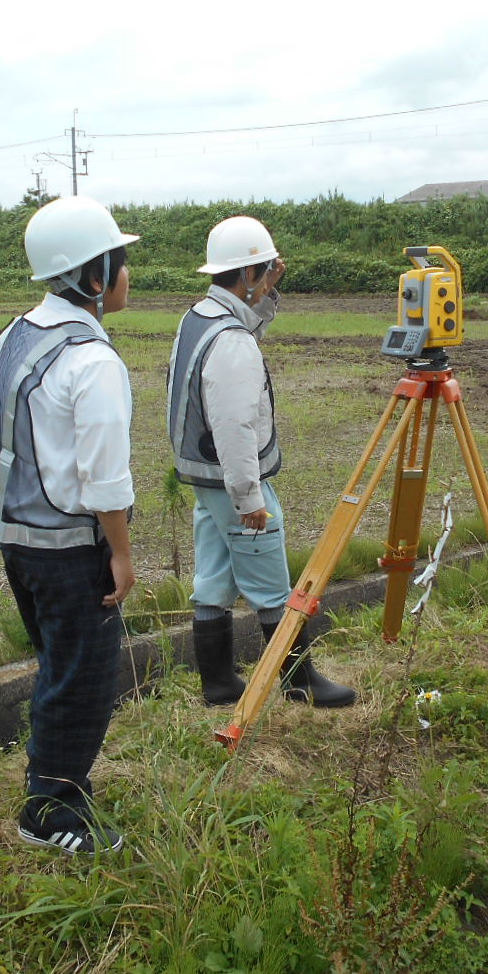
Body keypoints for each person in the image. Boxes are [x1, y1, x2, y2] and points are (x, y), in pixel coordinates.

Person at [0, 195, 138, 855]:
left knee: (60, 670)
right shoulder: (93, 362)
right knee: (84, 683)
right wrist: (123, 555)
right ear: (94, 277)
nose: (129, 275)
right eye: (120, 262)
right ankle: (49, 816)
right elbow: (104, 479)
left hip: (19, 539)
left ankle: (58, 787)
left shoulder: (15, 335)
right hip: (72, 548)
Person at [167, 215, 355, 710]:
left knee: (214, 579)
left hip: (206, 481)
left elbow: (245, 323)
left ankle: (219, 682)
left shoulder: (200, 317)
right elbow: (234, 426)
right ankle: (299, 679)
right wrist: (249, 497)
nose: (269, 276)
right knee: (271, 582)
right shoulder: (231, 342)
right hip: (232, 482)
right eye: (264, 270)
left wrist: (268, 293)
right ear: (249, 274)